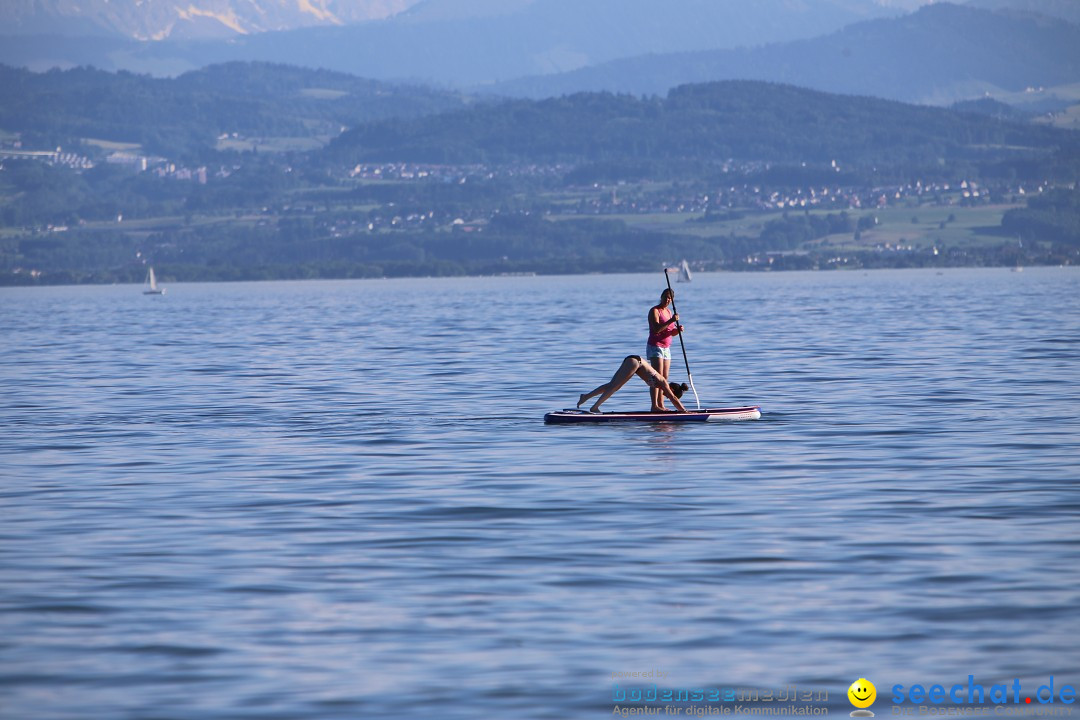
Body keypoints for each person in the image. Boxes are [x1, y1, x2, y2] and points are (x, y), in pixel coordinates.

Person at [577, 355, 689, 414]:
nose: (666, 396)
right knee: (614, 387)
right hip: (636, 362)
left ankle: (586, 396)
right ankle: (595, 407)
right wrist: (684, 411)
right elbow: (673, 398)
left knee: (612, 385)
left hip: (634, 362)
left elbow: (672, 397)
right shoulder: (663, 382)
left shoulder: (660, 385)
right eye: (667, 395)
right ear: (672, 389)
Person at [646, 288, 684, 412]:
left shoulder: (668, 312)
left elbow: (669, 332)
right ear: (661, 296)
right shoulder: (655, 311)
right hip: (655, 346)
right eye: (666, 297)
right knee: (657, 377)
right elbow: (657, 329)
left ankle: (661, 404)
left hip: (666, 348)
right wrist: (672, 320)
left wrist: (677, 331)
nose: (667, 300)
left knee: (664, 378)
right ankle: (654, 406)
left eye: (670, 298)